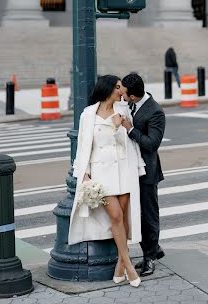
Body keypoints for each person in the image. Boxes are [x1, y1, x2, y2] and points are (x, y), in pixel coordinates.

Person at [68, 75, 145, 288]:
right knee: (116, 216)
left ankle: (120, 265)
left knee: (123, 218)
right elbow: (84, 146)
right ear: (108, 89)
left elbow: (127, 145)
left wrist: (119, 128)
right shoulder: (88, 115)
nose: (121, 90)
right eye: (117, 87)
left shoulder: (122, 110)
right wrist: (84, 173)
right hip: (101, 175)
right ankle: (129, 265)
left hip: (123, 170)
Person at [120, 73, 166, 277]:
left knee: (149, 215)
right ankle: (153, 249)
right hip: (132, 169)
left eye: (123, 92)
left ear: (132, 96)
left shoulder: (155, 111)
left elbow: (152, 144)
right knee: (136, 214)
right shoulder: (130, 104)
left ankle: (150, 258)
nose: (120, 94)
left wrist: (131, 130)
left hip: (147, 171)